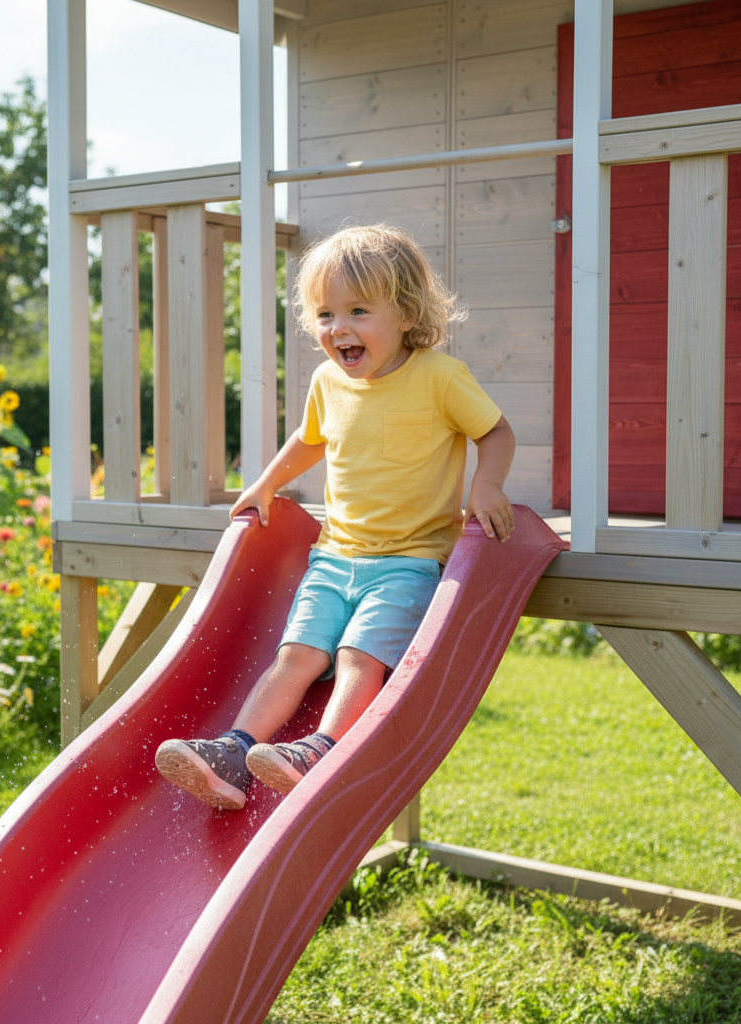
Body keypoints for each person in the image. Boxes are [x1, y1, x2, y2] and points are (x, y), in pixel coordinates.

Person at [155, 224, 515, 810]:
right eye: (324, 314)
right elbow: (309, 437)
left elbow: (495, 431)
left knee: (357, 656)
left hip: (408, 563)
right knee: (296, 656)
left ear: (405, 313)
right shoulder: (328, 381)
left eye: (356, 311)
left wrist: (487, 485)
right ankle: (233, 752)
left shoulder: (440, 379)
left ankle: (322, 747)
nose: (338, 328)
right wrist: (268, 483)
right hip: (333, 556)